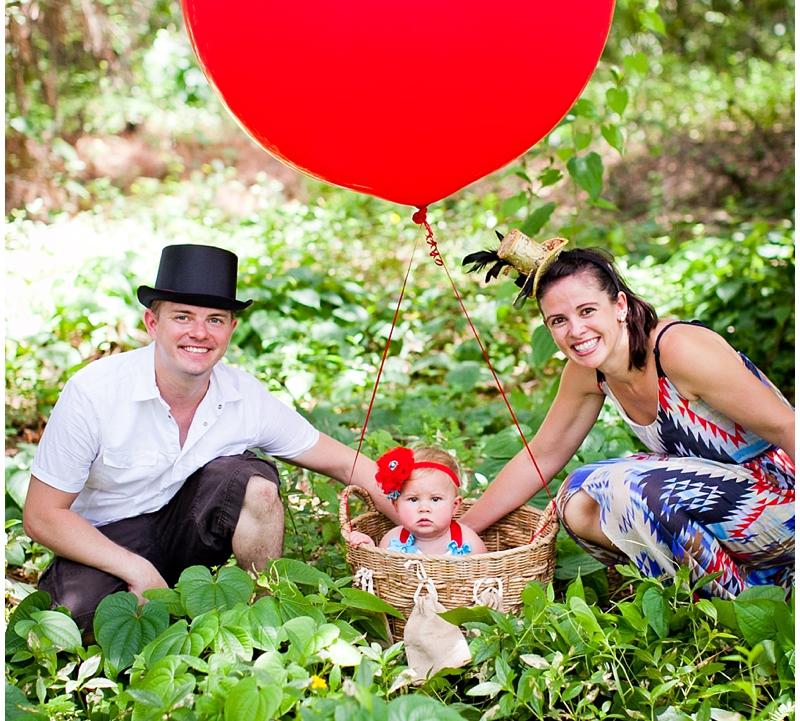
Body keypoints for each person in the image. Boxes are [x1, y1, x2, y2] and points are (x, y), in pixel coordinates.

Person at [23, 243, 396, 633]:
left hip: (189, 533)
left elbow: (343, 463)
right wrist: (137, 569)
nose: (199, 333)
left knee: (256, 486)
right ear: (153, 323)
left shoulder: (244, 395)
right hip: (108, 537)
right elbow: (41, 514)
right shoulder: (94, 392)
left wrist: (429, 519)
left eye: (215, 320)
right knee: (81, 620)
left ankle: (265, 616)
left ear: (231, 329)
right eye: (183, 316)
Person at [460, 235, 794, 599]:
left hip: (782, 502)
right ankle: (747, 594)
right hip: (720, 511)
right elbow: (542, 456)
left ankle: (747, 605)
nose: (576, 331)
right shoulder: (587, 372)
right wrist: (459, 532)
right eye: (558, 320)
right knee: (578, 497)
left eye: (587, 311)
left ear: (619, 305)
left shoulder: (677, 350)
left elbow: (787, 425)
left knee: (627, 486)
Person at [349, 445, 487, 556]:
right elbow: (381, 571)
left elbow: (487, 574)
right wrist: (369, 548)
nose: (424, 508)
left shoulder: (468, 542)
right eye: (413, 499)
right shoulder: (393, 541)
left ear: (454, 506)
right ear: (396, 506)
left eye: (435, 499)